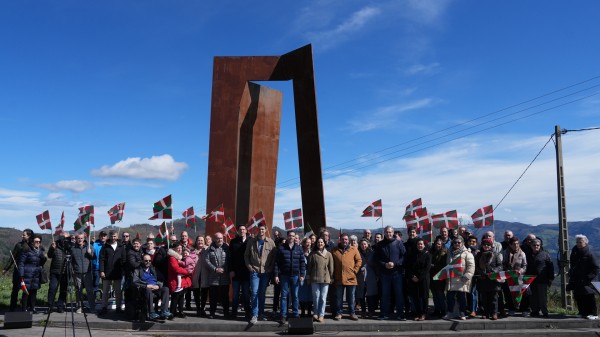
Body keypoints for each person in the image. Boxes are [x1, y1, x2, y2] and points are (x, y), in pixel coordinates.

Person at [245, 223, 276, 324]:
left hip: (265, 272)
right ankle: (254, 314)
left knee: (262, 294)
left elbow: (274, 258)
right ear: (257, 230)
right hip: (254, 271)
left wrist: (270, 268)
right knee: (254, 292)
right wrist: (250, 267)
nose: (261, 231)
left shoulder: (271, 242)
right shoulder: (251, 242)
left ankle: (261, 314)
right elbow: (246, 256)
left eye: (263, 229)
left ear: (266, 230)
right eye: (259, 229)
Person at [374, 225, 406, 320]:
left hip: (397, 273)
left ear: (393, 233)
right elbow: (377, 259)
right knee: (385, 295)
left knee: (399, 294)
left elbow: (404, 256)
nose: (389, 234)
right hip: (385, 274)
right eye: (387, 232)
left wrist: (395, 264)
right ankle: (384, 314)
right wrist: (384, 264)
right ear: (384, 233)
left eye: (390, 232)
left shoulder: (399, 243)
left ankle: (400, 314)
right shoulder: (380, 245)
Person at [274, 230, 306, 321]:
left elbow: (302, 262)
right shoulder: (281, 248)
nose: (291, 237)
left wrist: (302, 274)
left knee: (295, 296)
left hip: (295, 276)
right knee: (284, 296)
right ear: (287, 236)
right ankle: (283, 315)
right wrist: (276, 275)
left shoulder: (299, 248)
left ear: (295, 237)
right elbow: (277, 262)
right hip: (284, 275)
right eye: (290, 236)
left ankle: (295, 314)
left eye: (293, 236)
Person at [567, 234, 600, 319]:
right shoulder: (574, 253)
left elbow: (596, 267)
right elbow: (572, 265)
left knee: (588, 296)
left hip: (588, 280)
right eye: (577, 242)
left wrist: (588, 277)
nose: (578, 243)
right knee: (579, 296)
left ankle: (593, 314)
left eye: (580, 242)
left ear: (585, 243)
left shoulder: (590, 254)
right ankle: (582, 312)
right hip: (577, 279)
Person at [331, 233, 362, 321]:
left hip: (351, 278)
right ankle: (339, 313)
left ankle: (352, 313)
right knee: (339, 297)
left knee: (351, 297)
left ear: (348, 240)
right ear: (340, 240)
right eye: (343, 239)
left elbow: (359, 261)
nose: (344, 241)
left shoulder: (354, 249)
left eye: (346, 239)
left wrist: (355, 270)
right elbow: (331, 263)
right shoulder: (334, 250)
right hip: (338, 277)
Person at [133, 254, 173, 320]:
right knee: (148, 290)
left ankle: (164, 311)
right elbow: (135, 281)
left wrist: (158, 285)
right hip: (144, 289)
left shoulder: (154, 269)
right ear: (142, 261)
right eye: (146, 260)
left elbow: (161, 279)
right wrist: (146, 285)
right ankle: (151, 312)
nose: (148, 262)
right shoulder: (138, 270)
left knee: (166, 289)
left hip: (155, 288)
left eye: (149, 260)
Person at [3, 228, 34, 312]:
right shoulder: (18, 245)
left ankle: (24, 309)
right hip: (18, 271)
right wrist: (6, 268)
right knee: (15, 290)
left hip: (28, 272)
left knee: (26, 291)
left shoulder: (33, 246)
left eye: (24, 235)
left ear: (29, 236)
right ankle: (12, 308)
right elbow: (12, 258)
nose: (22, 236)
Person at [444, 236, 474, 320]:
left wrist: (467, 276)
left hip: (461, 279)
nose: (457, 244)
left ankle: (462, 313)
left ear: (463, 243)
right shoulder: (449, 253)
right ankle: (450, 313)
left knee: (461, 298)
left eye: (459, 242)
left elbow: (471, 266)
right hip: (451, 279)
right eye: (455, 242)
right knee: (450, 298)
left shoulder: (467, 253)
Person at [99, 231, 126, 316]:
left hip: (117, 272)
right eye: (112, 236)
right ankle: (104, 307)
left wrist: (123, 271)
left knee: (118, 292)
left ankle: (118, 307)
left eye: (114, 236)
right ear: (109, 236)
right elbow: (101, 259)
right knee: (105, 291)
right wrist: (102, 271)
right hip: (107, 272)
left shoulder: (121, 246)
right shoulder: (105, 246)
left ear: (117, 236)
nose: (113, 238)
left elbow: (124, 259)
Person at [474, 238, 503, 320]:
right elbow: (476, 266)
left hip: (493, 279)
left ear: (491, 246)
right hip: (483, 279)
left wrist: (494, 271)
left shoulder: (495, 254)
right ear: (482, 245)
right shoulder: (478, 255)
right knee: (484, 298)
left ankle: (494, 313)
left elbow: (500, 266)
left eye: (488, 245)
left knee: (494, 298)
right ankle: (485, 313)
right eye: (484, 244)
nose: (486, 246)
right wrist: (481, 272)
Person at [18, 234, 47, 313]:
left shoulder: (40, 251)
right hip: (27, 274)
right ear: (32, 242)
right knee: (26, 292)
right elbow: (21, 263)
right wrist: (21, 274)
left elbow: (42, 262)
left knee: (34, 291)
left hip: (36, 274)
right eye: (36, 241)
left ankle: (32, 308)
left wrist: (44, 257)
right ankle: (24, 309)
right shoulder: (26, 250)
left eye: (39, 241)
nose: (38, 243)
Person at [307, 237, 334, 323]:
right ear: (316, 243)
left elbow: (331, 267)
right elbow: (309, 268)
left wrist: (332, 277)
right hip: (315, 279)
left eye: (321, 242)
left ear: (324, 243)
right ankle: (315, 313)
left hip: (325, 279)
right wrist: (308, 278)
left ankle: (321, 314)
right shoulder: (312, 254)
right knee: (316, 297)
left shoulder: (329, 254)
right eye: (318, 242)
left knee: (323, 298)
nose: (320, 244)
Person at [205, 232, 231, 319]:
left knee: (225, 296)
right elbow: (207, 261)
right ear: (214, 239)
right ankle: (212, 312)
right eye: (218, 238)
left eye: (221, 238)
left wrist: (225, 269)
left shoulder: (227, 248)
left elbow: (230, 260)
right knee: (213, 297)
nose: (220, 240)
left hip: (224, 276)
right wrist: (215, 269)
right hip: (214, 277)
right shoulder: (210, 249)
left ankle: (226, 312)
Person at [526, 239, 554, 318]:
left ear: (540, 245)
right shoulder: (527, 255)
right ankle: (535, 311)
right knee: (533, 296)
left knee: (542, 297)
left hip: (542, 279)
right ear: (531, 246)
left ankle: (544, 311)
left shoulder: (545, 254)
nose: (536, 246)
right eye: (534, 245)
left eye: (537, 245)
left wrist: (550, 278)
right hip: (530, 279)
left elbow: (550, 267)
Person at [406, 238, 431, 321]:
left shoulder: (428, 255)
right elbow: (409, 267)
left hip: (424, 279)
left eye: (421, 244)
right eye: (418, 244)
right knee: (416, 297)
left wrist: (419, 278)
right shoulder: (412, 255)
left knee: (424, 297)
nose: (420, 245)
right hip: (414, 279)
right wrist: (412, 276)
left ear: (424, 245)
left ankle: (424, 314)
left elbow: (427, 268)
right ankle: (418, 313)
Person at [501, 236, 527, 316]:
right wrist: (509, 272)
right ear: (510, 244)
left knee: (521, 293)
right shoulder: (505, 252)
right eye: (514, 244)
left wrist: (521, 271)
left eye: (517, 244)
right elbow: (503, 264)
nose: (516, 245)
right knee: (508, 293)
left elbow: (524, 265)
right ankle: (511, 308)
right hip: (509, 276)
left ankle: (522, 309)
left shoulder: (522, 253)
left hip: (519, 276)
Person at [229, 225, 250, 319]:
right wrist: (231, 270)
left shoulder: (250, 241)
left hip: (247, 273)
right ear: (237, 231)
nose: (242, 231)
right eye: (240, 229)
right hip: (236, 273)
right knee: (235, 295)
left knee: (246, 294)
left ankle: (247, 313)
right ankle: (234, 313)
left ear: (246, 230)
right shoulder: (233, 242)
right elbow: (230, 258)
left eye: (243, 229)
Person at [71, 233, 96, 314]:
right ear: (76, 238)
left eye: (81, 238)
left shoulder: (89, 247)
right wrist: (72, 270)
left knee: (89, 291)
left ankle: (92, 307)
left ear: (84, 238)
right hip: (77, 273)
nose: (80, 240)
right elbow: (71, 261)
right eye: (78, 238)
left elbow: (94, 257)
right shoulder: (73, 248)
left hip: (87, 272)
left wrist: (90, 253)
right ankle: (79, 307)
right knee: (78, 291)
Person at [46, 232, 69, 313]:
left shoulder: (69, 245)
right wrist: (52, 248)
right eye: (63, 237)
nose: (64, 239)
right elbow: (49, 255)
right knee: (52, 288)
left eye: (66, 237)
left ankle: (60, 306)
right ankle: (50, 306)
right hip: (55, 271)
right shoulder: (54, 244)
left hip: (65, 271)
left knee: (63, 290)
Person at [168, 242, 191, 318]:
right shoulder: (172, 258)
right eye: (178, 248)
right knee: (175, 297)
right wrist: (186, 271)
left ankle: (180, 311)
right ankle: (172, 312)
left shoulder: (180, 257)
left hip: (181, 281)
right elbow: (176, 269)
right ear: (174, 249)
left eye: (180, 248)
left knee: (181, 297)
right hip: (175, 280)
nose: (179, 249)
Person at [430, 238, 447, 318]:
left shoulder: (444, 253)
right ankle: (437, 310)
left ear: (442, 245)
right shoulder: (431, 252)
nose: (438, 245)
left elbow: (444, 265)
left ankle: (443, 310)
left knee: (440, 295)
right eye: (436, 244)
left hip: (440, 277)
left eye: (439, 244)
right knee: (434, 294)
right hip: (432, 276)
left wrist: (434, 266)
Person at [190, 235, 206, 317]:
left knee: (204, 292)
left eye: (202, 240)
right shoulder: (192, 252)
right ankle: (198, 308)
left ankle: (202, 308)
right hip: (195, 274)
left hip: (205, 274)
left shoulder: (207, 250)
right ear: (196, 242)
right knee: (196, 292)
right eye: (199, 240)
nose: (200, 242)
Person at [466, 235, 480, 317]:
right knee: (467, 293)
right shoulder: (465, 251)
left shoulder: (478, 252)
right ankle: (469, 308)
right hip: (465, 275)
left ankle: (473, 310)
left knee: (473, 293)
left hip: (475, 275)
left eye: (474, 242)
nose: (472, 243)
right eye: (470, 241)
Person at [299, 237, 313, 317]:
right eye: (307, 242)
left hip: (311, 275)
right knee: (302, 294)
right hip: (302, 275)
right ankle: (303, 311)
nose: (308, 244)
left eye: (309, 242)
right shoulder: (300, 252)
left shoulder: (313, 252)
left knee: (310, 294)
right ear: (303, 243)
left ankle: (309, 312)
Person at [92, 231, 107, 301]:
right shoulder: (95, 244)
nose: (103, 237)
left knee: (106, 284)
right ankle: (95, 299)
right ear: (99, 236)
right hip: (96, 267)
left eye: (104, 236)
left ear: (106, 237)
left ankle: (105, 299)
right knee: (96, 284)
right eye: (101, 236)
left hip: (106, 268)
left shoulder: (108, 244)